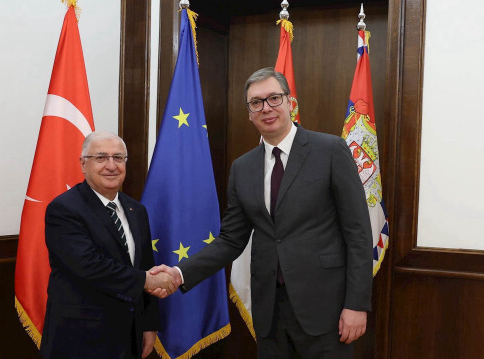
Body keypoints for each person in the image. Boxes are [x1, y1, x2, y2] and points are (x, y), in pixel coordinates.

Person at [152, 67, 373, 358]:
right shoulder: (242, 168)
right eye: (256, 102)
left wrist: (356, 305)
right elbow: (231, 239)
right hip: (270, 310)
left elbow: (358, 233)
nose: (266, 108)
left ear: (290, 104)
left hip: (325, 309)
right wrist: (180, 273)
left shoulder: (330, 150)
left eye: (273, 98)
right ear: (249, 112)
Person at [40, 131, 177, 359]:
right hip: (80, 338)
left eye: (118, 158)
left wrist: (149, 324)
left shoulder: (136, 210)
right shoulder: (64, 209)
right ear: (83, 164)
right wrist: (148, 280)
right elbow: (89, 266)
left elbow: (145, 264)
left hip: (128, 335)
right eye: (101, 158)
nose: (111, 166)